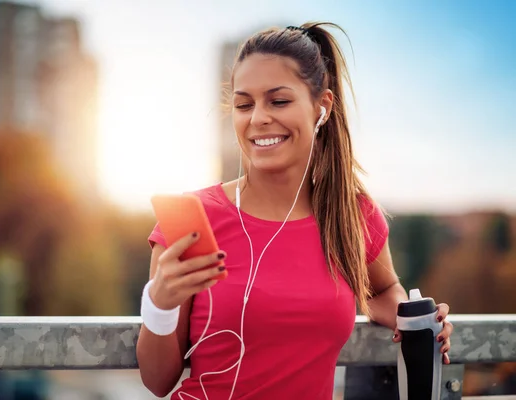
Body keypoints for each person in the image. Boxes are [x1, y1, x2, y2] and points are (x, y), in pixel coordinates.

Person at [136, 21, 454, 399]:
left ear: (323, 107)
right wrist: (159, 305)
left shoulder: (352, 216)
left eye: (279, 101)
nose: (257, 118)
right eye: (243, 104)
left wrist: (415, 319)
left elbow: (383, 289)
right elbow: (157, 381)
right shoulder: (192, 221)